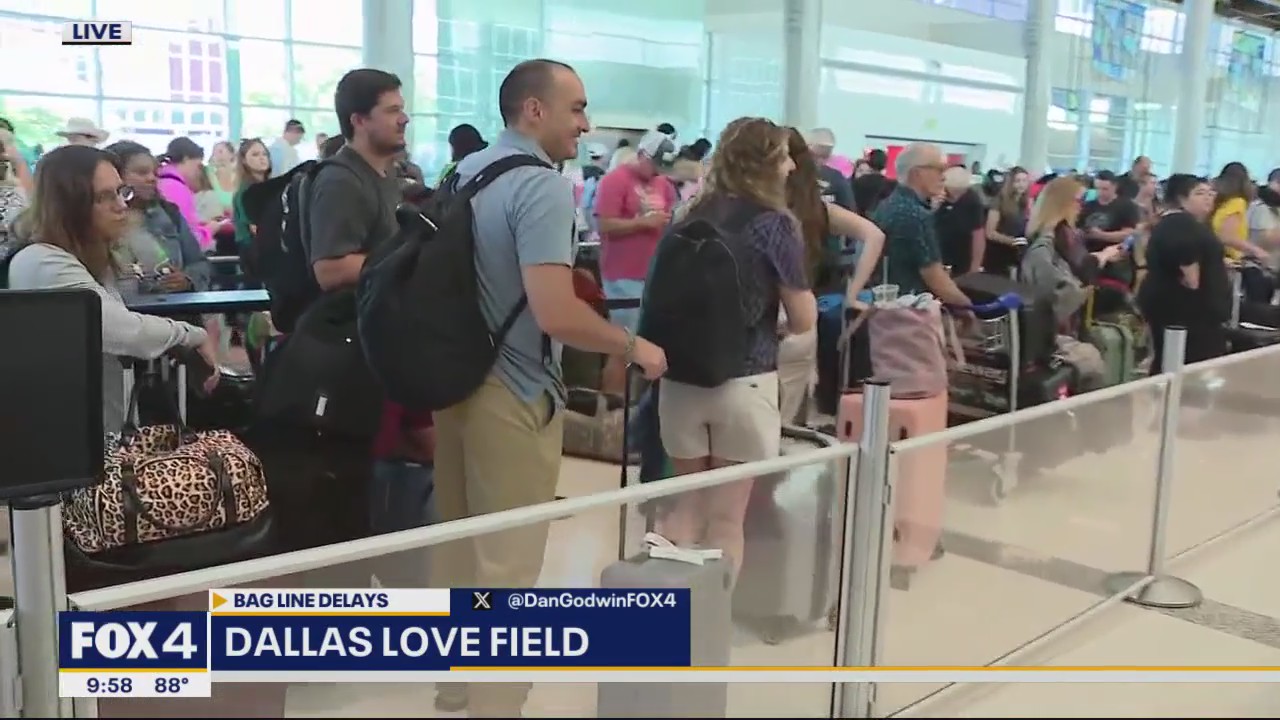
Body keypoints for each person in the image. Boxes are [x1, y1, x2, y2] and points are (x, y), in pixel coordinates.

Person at [429, 58, 665, 718]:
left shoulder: (467, 172)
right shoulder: (541, 188)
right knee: (508, 563)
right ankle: (497, 704)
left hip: (455, 384)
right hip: (515, 387)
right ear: (534, 110)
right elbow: (555, 311)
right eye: (577, 109)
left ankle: (456, 685)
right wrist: (634, 346)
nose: (586, 125)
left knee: (459, 545)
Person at [654, 116, 816, 579]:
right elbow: (803, 319)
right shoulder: (775, 225)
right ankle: (707, 631)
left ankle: (663, 612)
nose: (790, 166)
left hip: (680, 380)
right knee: (726, 520)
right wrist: (774, 324)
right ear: (766, 162)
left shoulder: (687, 213)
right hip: (745, 381)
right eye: (784, 156)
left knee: (686, 509)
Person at [5, 145, 218, 434]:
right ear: (69, 204)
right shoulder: (42, 261)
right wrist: (190, 334)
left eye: (121, 192)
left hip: (91, 435)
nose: (121, 205)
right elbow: (122, 330)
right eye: (105, 197)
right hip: (63, 442)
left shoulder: (83, 258)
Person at [780, 127, 883, 423]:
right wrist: (853, 291)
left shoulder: (759, 210)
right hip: (804, 312)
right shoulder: (817, 205)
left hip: (768, 322)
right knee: (788, 421)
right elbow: (873, 235)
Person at [593, 128, 677, 385]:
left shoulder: (664, 184)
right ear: (642, 154)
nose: (657, 172)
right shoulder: (614, 181)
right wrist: (642, 223)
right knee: (623, 346)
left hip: (653, 274)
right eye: (654, 165)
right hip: (622, 275)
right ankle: (612, 410)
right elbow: (604, 225)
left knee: (649, 347)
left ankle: (636, 407)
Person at [1019, 176, 1118, 392]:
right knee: (1092, 361)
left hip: (1067, 326)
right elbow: (1056, 293)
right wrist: (1097, 264)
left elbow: (1076, 267)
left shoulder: (1064, 237)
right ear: (1062, 203)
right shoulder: (1045, 245)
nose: (1080, 207)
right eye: (1077, 201)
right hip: (1050, 334)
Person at [1139, 174, 1230, 370]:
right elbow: (1186, 259)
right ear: (1181, 198)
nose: (1208, 198)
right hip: (1186, 311)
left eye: (1210, 193)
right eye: (1199, 193)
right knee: (1183, 362)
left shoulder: (1186, 223)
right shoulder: (1180, 223)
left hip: (1178, 307)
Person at [870, 143, 971, 307]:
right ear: (917, 173)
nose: (944, 177)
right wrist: (968, 308)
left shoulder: (887, 205)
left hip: (887, 308)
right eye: (939, 169)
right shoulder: (915, 214)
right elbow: (935, 278)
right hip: (910, 312)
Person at [156, 137, 214, 252]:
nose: (198, 172)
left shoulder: (161, 181)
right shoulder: (177, 189)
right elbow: (190, 240)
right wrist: (209, 230)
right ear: (186, 158)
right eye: (197, 166)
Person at [935, 165, 987, 276]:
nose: (954, 198)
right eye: (951, 193)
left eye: (959, 193)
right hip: (937, 256)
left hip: (962, 255)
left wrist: (975, 267)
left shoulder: (972, 200)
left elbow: (978, 235)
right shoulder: (935, 195)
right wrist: (934, 207)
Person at [983, 165, 1030, 276]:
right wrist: (1012, 241)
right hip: (998, 253)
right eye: (1017, 181)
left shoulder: (1025, 202)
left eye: (1024, 181)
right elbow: (990, 233)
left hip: (1016, 253)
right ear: (1010, 183)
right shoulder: (999, 201)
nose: (1022, 184)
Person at [1079, 169, 1140, 253]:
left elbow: (1128, 234)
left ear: (1114, 187)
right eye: (1097, 189)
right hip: (1089, 253)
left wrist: (1101, 235)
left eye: (1105, 189)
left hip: (1113, 254)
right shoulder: (1088, 205)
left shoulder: (1126, 206)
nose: (1100, 192)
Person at [1212, 167, 1265, 261]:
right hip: (1230, 258)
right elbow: (1227, 237)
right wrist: (1256, 250)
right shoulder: (1237, 202)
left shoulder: (1218, 202)